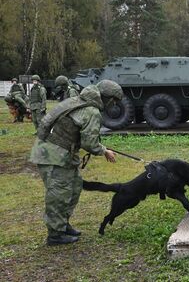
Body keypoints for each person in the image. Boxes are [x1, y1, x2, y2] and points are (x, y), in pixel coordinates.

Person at [30, 80, 122, 245]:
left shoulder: (76, 101)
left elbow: (47, 124)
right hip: (54, 155)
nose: (113, 104)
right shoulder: (91, 111)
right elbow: (90, 144)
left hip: (56, 151)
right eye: (114, 100)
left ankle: (63, 225)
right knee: (60, 194)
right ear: (107, 98)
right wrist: (104, 150)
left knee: (74, 187)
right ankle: (55, 235)